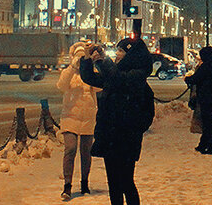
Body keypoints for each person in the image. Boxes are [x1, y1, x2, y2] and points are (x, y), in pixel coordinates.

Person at [79, 37, 155, 205]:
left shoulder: (137, 74)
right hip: (110, 136)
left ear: (132, 55)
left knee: (126, 181)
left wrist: (103, 60)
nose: (118, 54)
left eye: (121, 51)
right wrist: (87, 58)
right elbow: (90, 78)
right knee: (113, 183)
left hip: (127, 138)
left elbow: (119, 80)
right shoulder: (116, 73)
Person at [58, 42, 100, 201]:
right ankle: (67, 185)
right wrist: (73, 68)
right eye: (78, 56)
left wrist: (90, 66)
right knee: (70, 149)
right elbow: (61, 86)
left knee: (86, 152)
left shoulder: (89, 72)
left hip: (88, 117)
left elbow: (99, 87)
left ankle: (84, 183)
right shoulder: (68, 73)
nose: (80, 59)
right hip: (70, 117)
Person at [185, 46, 212, 154]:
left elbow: (196, 78)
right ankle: (204, 144)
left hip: (206, 97)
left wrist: (187, 79)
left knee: (207, 123)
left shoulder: (206, 66)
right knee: (208, 122)